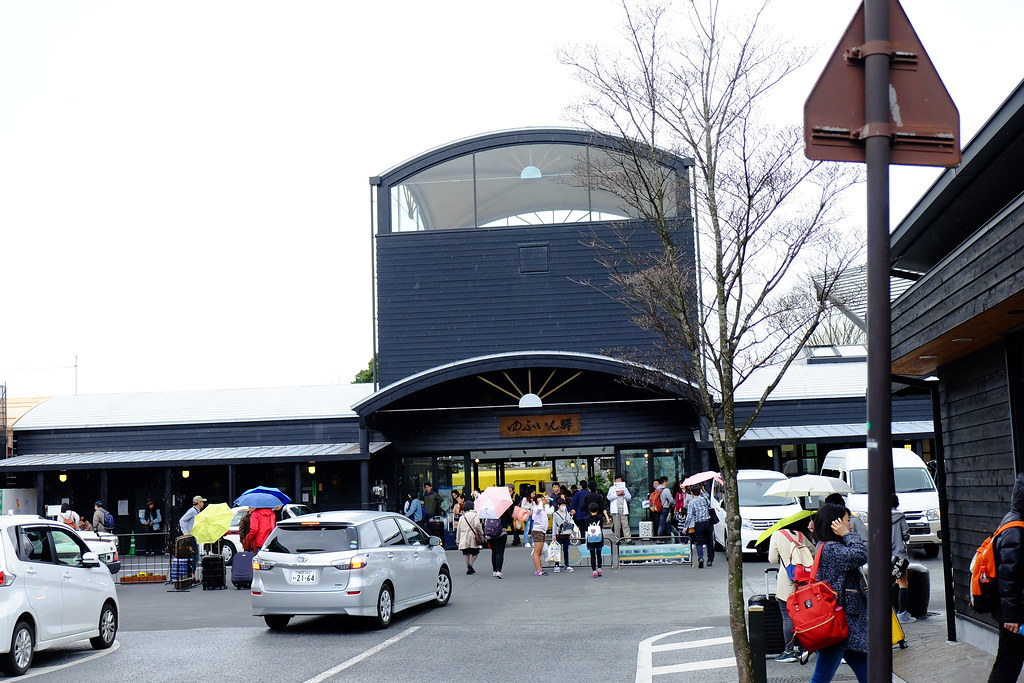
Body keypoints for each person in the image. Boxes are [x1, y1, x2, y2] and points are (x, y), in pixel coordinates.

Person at [807, 501, 868, 683]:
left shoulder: (827, 546)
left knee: (868, 672)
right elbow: (860, 554)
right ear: (836, 524)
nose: (850, 525)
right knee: (821, 677)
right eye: (847, 521)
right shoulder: (831, 548)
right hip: (838, 623)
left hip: (843, 623)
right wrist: (848, 534)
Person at [987, 472, 1024, 683]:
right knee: (1007, 665)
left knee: (1008, 663)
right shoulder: (1016, 530)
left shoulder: (1012, 521)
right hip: (1015, 614)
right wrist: (1011, 618)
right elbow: (1009, 578)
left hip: (1014, 611)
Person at [767, 526, 814, 663]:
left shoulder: (777, 534)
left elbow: (773, 559)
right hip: (804, 582)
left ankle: (789, 650)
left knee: (787, 615)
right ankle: (805, 647)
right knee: (804, 614)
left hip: (787, 580)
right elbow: (813, 552)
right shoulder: (800, 535)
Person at [891, 493, 914, 623]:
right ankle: (902, 614)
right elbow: (906, 535)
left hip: (885, 556)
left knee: (892, 581)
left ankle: (890, 611)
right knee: (903, 583)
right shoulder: (900, 517)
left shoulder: (879, 516)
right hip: (899, 555)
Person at [686, 485, 715, 568]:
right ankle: (710, 560)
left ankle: (701, 558)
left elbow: (689, 516)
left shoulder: (691, 503)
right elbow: (709, 503)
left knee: (699, 542)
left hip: (698, 523)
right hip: (708, 522)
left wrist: (685, 527)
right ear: (700, 492)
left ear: (691, 493)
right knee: (710, 541)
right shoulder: (705, 499)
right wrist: (702, 493)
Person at [178, 495, 206, 578]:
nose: (203, 503)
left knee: (195, 555)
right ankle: (191, 574)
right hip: (190, 536)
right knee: (194, 555)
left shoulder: (197, 511)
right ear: (199, 502)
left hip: (193, 535)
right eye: (202, 502)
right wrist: (185, 532)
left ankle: (191, 573)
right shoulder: (192, 511)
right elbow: (182, 520)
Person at [455, 499, 484, 575]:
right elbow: (477, 525)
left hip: (464, 537)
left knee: (466, 553)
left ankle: (468, 566)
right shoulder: (474, 515)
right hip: (472, 536)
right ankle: (470, 565)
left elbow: (459, 529)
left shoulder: (462, 517)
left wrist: (458, 539)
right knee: (475, 552)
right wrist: (481, 533)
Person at [488, 498, 514, 579]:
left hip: (490, 533)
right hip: (502, 532)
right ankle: (498, 571)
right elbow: (510, 519)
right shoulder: (504, 508)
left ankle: (494, 570)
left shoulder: (489, 508)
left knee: (494, 552)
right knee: (500, 552)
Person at [552, 498, 576, 573]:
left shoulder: (567, 513)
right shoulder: (555, 514)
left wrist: (571, 533)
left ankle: (567, 564)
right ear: (558, 505)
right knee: (557, 550)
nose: (563, 506)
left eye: (564, 505)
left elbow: (569, 522)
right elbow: (554, 525)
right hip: (559, 534)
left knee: (566, 550)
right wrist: (553, 535)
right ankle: (557, 564)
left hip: (566, 533)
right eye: (562, 505)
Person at [607, 476, 632, 542]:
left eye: (619, 481)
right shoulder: (612, 488)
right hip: (615, 510)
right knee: (617, 526)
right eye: (617, 481)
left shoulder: (625, 489)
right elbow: (609, 497)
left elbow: (629, 497)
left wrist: (623, 494)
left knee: (625, 525)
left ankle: (628, 539)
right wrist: (616, 494)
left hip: (623, 509)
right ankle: (617, 539)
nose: (618, 482)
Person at [584, 502, 605, 577]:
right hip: (599, 538)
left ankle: (594, 571)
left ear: (589, 510)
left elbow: (585, 528)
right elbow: (601, 527)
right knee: (599, 554)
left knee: (592, 555)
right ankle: (599, 569)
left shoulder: (587, 518)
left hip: (590, 538)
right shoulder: (600, 517)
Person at [530, 493, 549, 576]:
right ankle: (538, 570)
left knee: (539, 551)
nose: (544, 500)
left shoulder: (541, 508)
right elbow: (539, 508)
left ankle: (540, 568)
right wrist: (540, 501)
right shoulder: (536, 508)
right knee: (536, 552)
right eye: (542, 499)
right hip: (538, 531)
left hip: (542, 531)